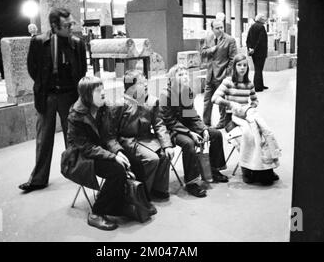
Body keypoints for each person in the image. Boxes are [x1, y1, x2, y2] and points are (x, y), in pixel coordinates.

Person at [19, 8, 86, 192]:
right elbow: (33, 69)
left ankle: (77, 173)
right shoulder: (39, 42)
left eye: (72, 23)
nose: (71, 27)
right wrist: (44, 85)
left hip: (69, 95)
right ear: (55, 26)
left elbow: (82, 70)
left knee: (72, 136)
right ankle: (38, 179)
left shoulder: (78, 43)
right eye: (67, 25)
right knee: (43, 138)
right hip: (47, 95)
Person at [65, 76, 130, 231]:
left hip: (99, 150)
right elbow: (85, 148)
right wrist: (112, 157)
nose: (103, 93)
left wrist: (118, 152)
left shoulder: (103, 108)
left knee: (129, 158)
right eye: (98, 90)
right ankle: (96, 213)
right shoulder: (76, 115)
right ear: (87, 94)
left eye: (103, 89)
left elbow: (108, 136)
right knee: (117, 171)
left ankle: (121, 206)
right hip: (80, 158)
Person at [105, 69, 175, 200]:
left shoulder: (152, 101)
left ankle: (158, 189)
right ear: (131, 87)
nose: (146, 84)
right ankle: (142, 195)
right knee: (152, 159)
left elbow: (159, 124)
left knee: (165, 155)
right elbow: (110, 134)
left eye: (145, 81)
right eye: (142, 82)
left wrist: (167, 145)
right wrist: (116, 150)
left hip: (147, 138)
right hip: (128, 141)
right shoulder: (118, 104)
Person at [212, 53, 281, 186]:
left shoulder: (249, 84)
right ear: (234, 66)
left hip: (246, 116)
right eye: (239, 65)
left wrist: (250, 107)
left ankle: (266, 168)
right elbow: (214, 98)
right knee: (246, 136)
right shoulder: (227, 81)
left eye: (244, 65)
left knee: (262, 134)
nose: (242, 68)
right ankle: (246, 168)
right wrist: (230, 104)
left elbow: (255, 101)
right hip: (230, 120)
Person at [160, 64, 228, 198]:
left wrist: (203, 129)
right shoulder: (166, 95)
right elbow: (169, 121)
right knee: (189, 143)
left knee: (215, 134)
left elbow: (191, 115)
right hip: (172, 129)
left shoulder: (187, 91)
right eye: (180, 75)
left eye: (185, 74)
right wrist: (190, 133)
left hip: (185, 125)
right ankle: (192, 183)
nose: (185, 77)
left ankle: (214, 170)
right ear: (172, 79)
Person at [200, 19, 237, 129]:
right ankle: (205, 122)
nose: (220, 30)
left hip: (222, 74)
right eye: (217, 28)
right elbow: (202, 53)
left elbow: (233, 59)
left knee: (221, 100)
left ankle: (223, 121)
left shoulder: (230, 40)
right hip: (210, 74)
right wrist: (211, 50)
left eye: (222, 27)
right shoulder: (208, 38)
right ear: (212, 29)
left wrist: (227, 74)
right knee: (207, 100)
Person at [246, 13, 269, 92]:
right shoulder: (261, 27)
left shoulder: (252, 26)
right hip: (260, 52)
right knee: (259, 69)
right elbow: (261, 41)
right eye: (264, 19)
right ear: (261, 20)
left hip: (253, 53)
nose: (265, 20)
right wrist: (255, 49)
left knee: (258, 69)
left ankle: (260, 84)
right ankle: (258, 87)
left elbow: (248, 39)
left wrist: (250, 49)